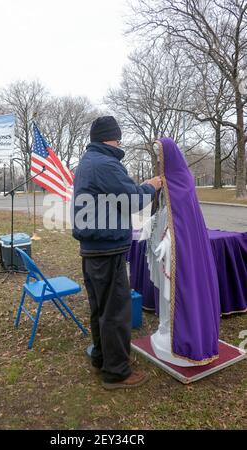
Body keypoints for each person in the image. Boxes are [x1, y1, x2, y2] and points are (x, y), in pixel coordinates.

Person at [72, 116, 162, 389]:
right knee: (115, 313)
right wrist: (152, 186)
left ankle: (101, 357)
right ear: (109, 138)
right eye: (118, 138)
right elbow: (132, 200)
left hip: (93, 249)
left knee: (101, 309)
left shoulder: (89, 162)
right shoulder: (106, 164)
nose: (119, 142)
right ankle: (117, 372)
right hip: (107, 249)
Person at [141, 138, 220, 366]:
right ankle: (166, 327)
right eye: (156, 157)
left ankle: (180, 335)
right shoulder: (163, 181)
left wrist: (168, 240)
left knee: (175, 291)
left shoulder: (182, 181)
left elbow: (183, 219)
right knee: (166, 294)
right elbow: (165, 210)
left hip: (177, 249)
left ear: (169, 156)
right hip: (163, 245)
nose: (158, 161)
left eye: (160, 156)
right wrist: (152, 223)